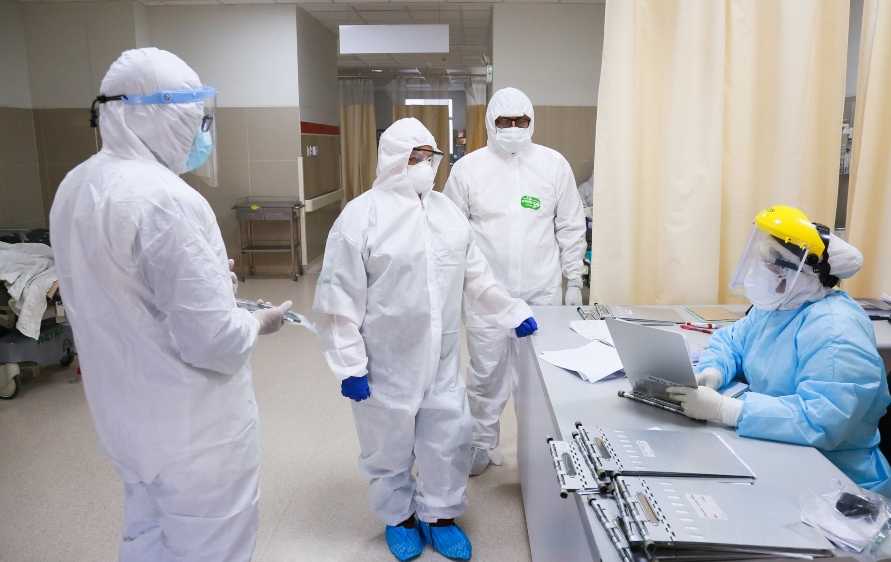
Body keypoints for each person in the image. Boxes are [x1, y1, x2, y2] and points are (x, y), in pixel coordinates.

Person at [50, 48, 292, 561]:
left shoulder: (77, 185)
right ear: (155, 114)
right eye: (195, 118)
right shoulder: (167, 198)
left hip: (125, 421)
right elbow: (214, 344)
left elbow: (120, 289)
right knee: (209, 545)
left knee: (147, 534)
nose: (202, 132)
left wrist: (211, 284)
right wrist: (256, 322)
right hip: (193, 435)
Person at [313, 118, 536, 561]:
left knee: (448, 439)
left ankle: (439, 516)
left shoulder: (446, 213)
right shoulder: (361, 216)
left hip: (442, 359)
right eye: (413, 156)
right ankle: (398, 518)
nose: (423, 165)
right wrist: (350, 365)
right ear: (392, 159)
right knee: (387, 446)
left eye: (429, 156)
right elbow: (338, 299)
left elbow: (477, 275)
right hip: (385, 362)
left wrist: (511, 312)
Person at [667, 206, 891, 505]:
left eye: (770, 265)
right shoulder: (779, 306)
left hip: (837, 482)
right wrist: (714, 372)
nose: (760, 271)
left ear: (801, 273)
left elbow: (823, 420)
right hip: (781, 449)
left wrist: (729, 410)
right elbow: (731, 342)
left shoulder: (835, 330)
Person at [443, 87, 586, 475]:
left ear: (531, 121)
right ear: (491, 123)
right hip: (486, 294)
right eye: (504, 122)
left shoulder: (553, 165)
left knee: (537, 376)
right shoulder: (468, 169)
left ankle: (539, 449)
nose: (513, 128)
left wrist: (575, 279)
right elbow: (450, 232)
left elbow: (570, 224)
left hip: (541, 292)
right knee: (486, 374)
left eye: (521, 121)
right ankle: (479, 443)